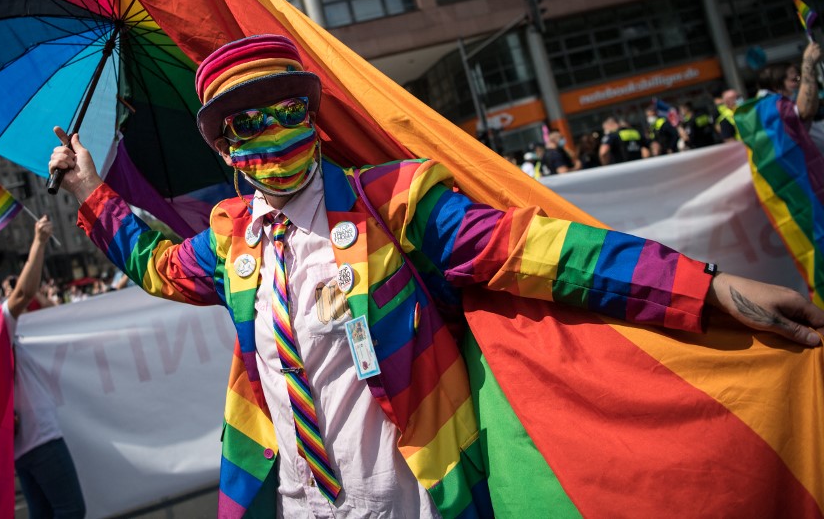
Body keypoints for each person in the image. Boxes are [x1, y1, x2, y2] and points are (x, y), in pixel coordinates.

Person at [49, 33, 824, 517]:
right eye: (243, 125)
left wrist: (708, 286)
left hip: (415, 499)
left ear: (313, 118)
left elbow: (544, 252)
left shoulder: (395, 203)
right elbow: (155, 265)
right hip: (293, 501)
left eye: (285, 110)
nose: (270, 135)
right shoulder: (229, 241)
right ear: (222, 149)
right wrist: (91, 192)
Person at [0, 217, 86, 519]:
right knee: (71, 510)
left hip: (18, 442)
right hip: (38, 436)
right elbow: (23, 294)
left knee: (43, 513)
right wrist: (38, 241)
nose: (1, 301)